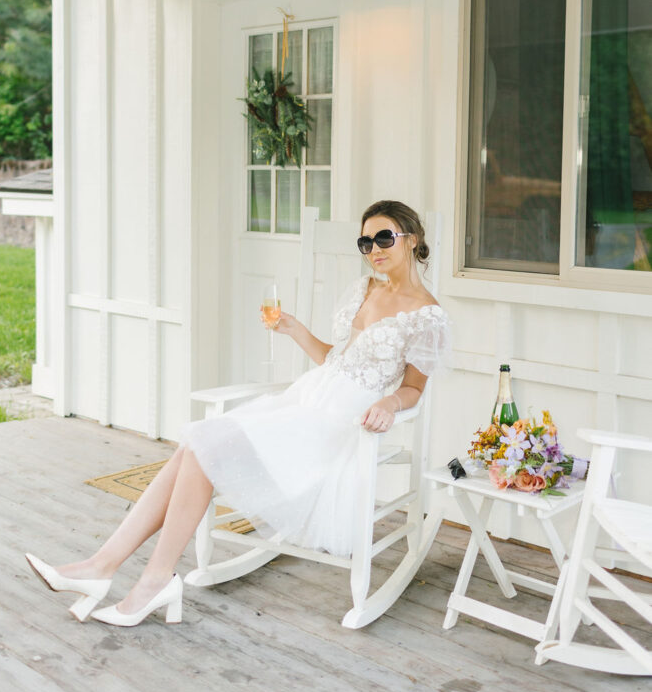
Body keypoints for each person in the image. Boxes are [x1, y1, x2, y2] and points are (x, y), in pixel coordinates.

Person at [25, 200, 450, 627]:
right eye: (365, 241)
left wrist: (389, 403)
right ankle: (114, 569)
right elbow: (336, 360)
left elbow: (413, 388)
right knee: (197, 444)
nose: (373, 249)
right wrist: (294, 329)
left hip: (339, 424)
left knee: (202, 446)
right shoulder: (365, 289)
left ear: (411, 240)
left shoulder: (427, 315)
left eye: (383, 238)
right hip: (305, 401)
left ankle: (130, 575)